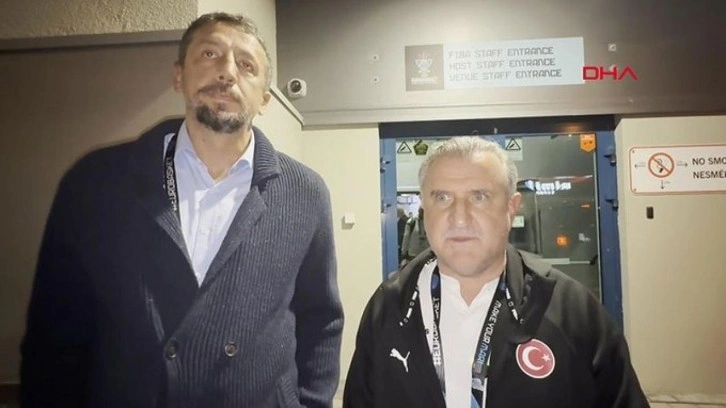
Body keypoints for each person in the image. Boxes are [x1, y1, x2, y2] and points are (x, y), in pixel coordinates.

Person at [20, 12, 344, 408]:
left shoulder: (305, 193)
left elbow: (321, 320)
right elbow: (54, 329)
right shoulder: (95, 183)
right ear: (179, 76)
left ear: (264, 99)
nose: (227, 72)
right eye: (209, 54)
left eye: (246, 65)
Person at [343, 136, 648, 408]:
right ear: (425, 208)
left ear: (511, 207)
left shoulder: (570, 310)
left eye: (479, 197)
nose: (459, 218)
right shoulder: (389, 305)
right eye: (442, 197)